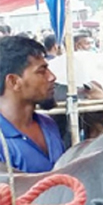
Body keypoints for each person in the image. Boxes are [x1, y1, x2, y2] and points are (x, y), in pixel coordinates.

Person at [0, 36, 64, 172]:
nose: (52, 77)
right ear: (14, 81)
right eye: (41, 71)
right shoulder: (2, 139)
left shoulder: (48, 124)